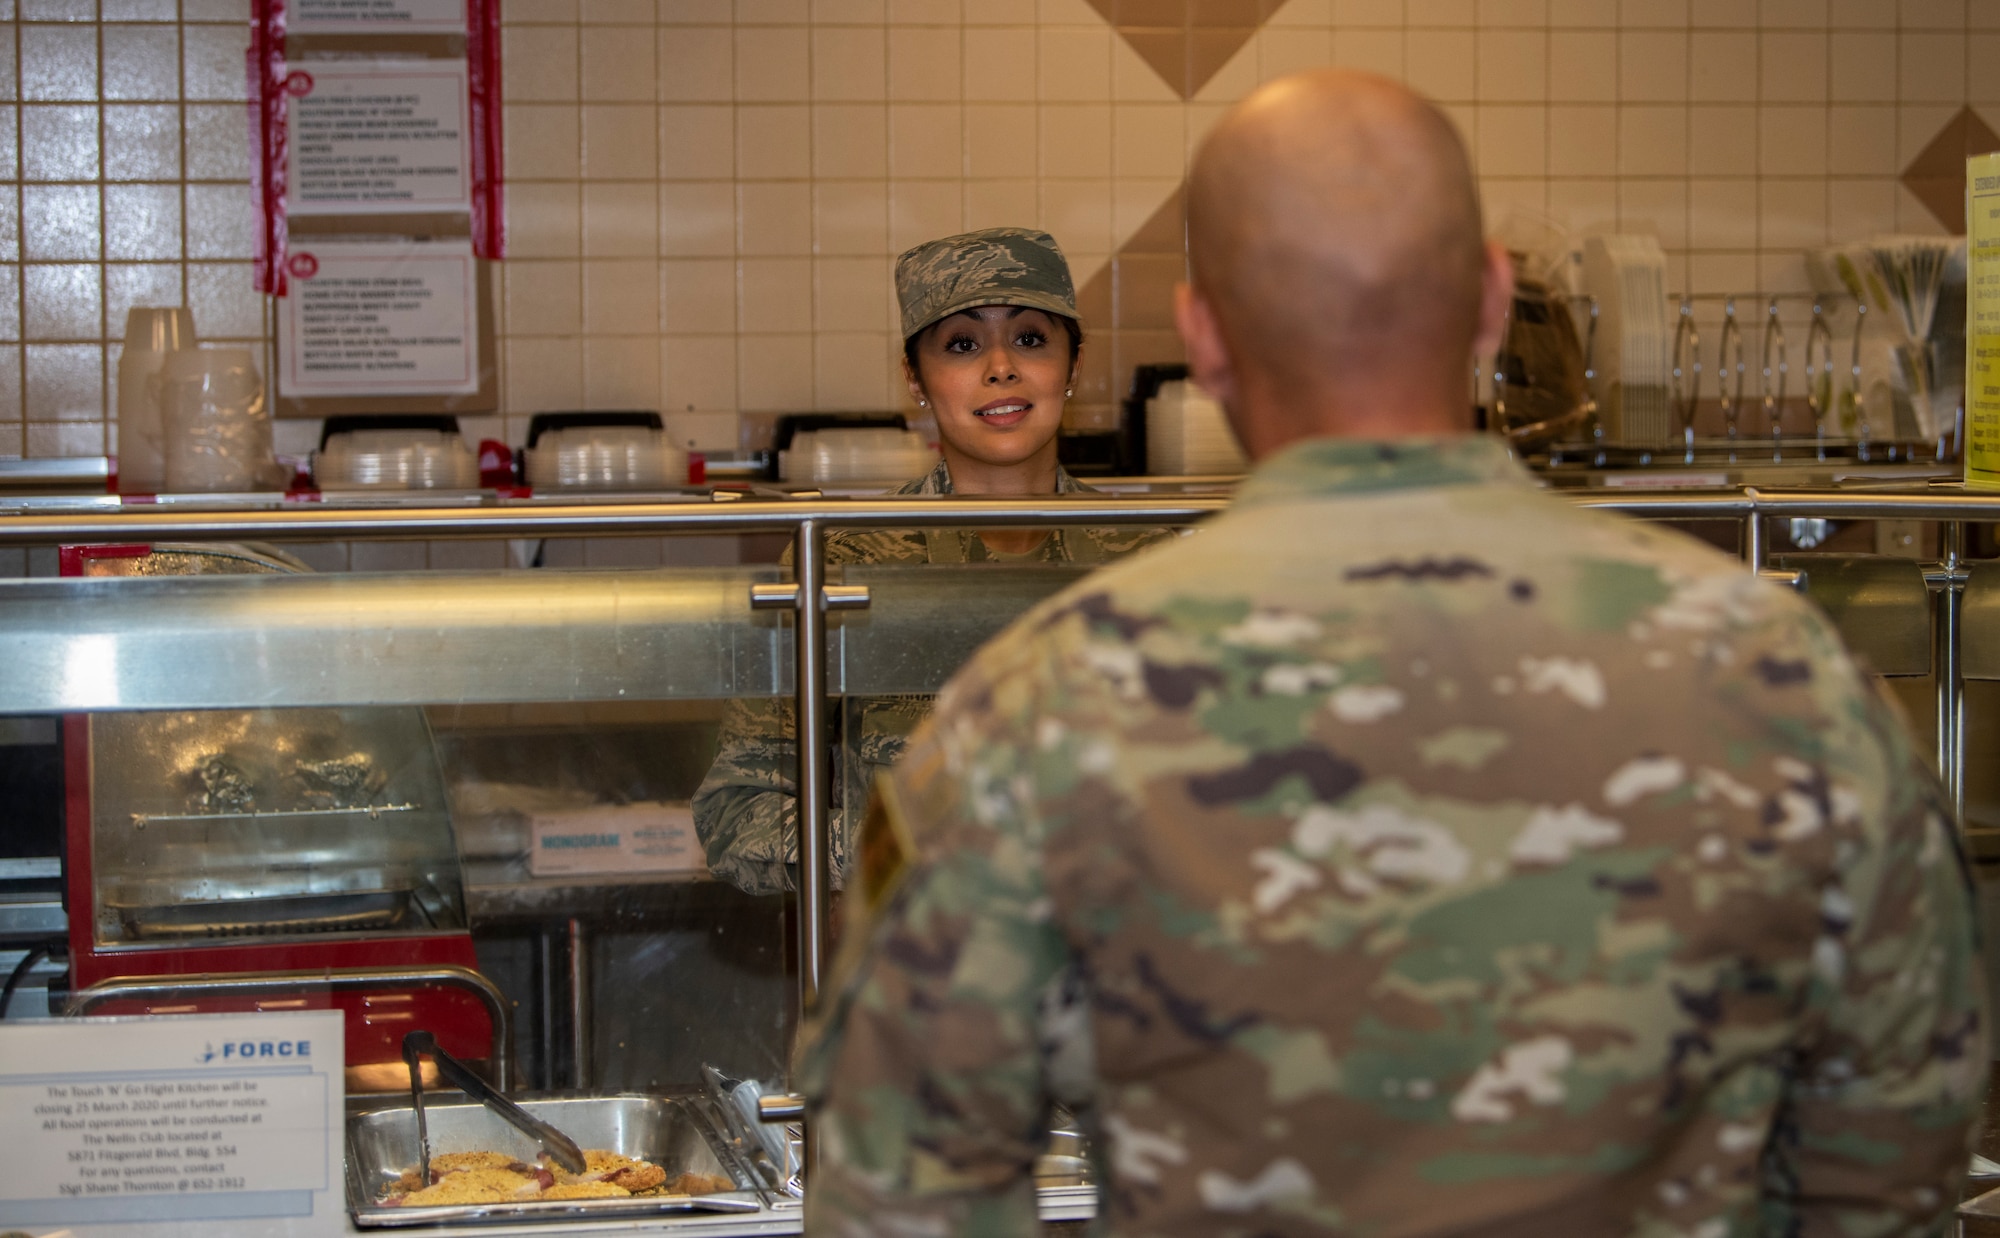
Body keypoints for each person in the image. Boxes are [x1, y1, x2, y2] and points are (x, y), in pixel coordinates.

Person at [797, 70, 1988, 1236]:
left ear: (1203, 339)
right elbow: (1897, 1154)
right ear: (1483, 303)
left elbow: (902, 1185)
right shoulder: (1780, 670)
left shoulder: (1039, 702)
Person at [691, 227, 1173, 897]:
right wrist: (910, 843)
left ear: (1075, 364)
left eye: (1031, 338)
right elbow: (735, 813)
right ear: (915, 378)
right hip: (922, 974)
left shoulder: (1150, 553)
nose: (1001, 366)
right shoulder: (842, 558)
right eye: (963, 344)